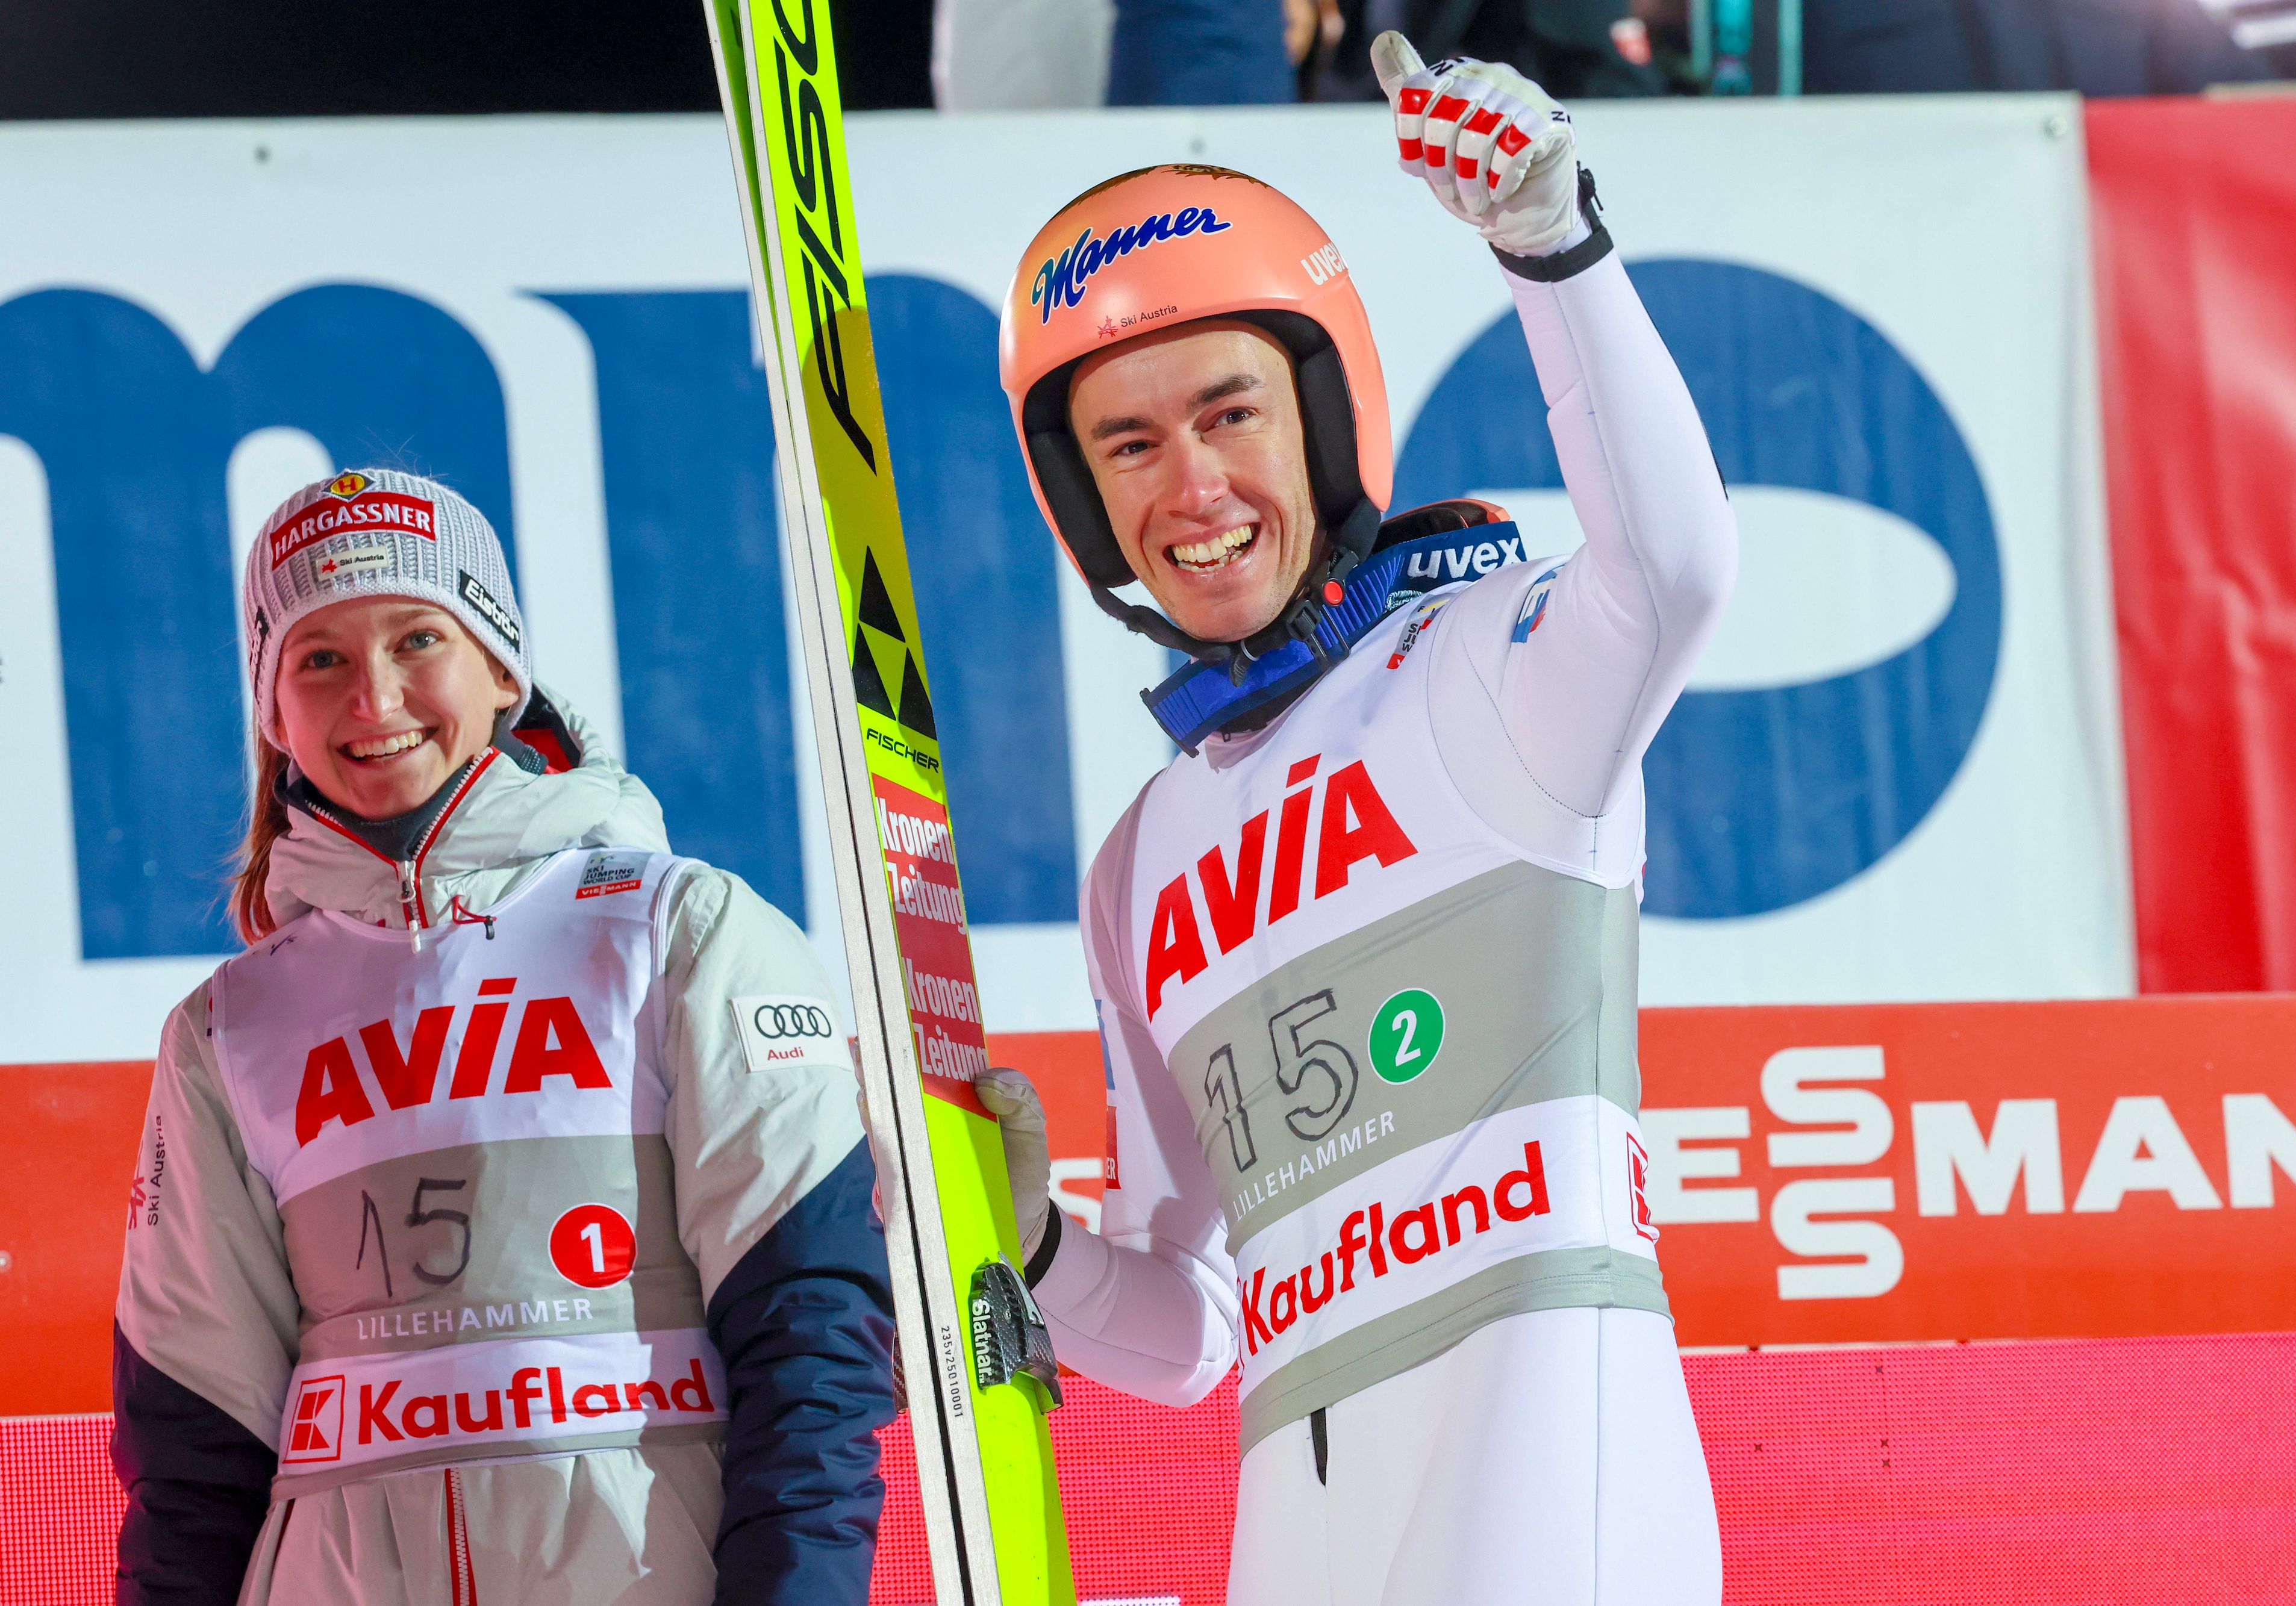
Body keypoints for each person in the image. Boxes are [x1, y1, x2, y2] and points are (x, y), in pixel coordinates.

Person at [980, 32, 1733, 1605]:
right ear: (1084, 501)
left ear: (1324, 419)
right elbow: (1190, 1323)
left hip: (1556, 1499)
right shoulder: (1141, 861)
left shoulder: (1494, 660)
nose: (1191, 486)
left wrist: (1552, 245)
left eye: (1231, 412)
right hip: (1303, 1530)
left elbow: (1673, 570)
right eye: (1130, 444)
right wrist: (1029, 1245)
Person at [111, 468, 894, 1604]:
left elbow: (813, 1342)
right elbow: (192, 1454)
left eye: (416, 637)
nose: (373, 698)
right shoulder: (229, 1028)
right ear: (272, 715)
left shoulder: (677, 926)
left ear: (499, 668)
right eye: (318, 658)